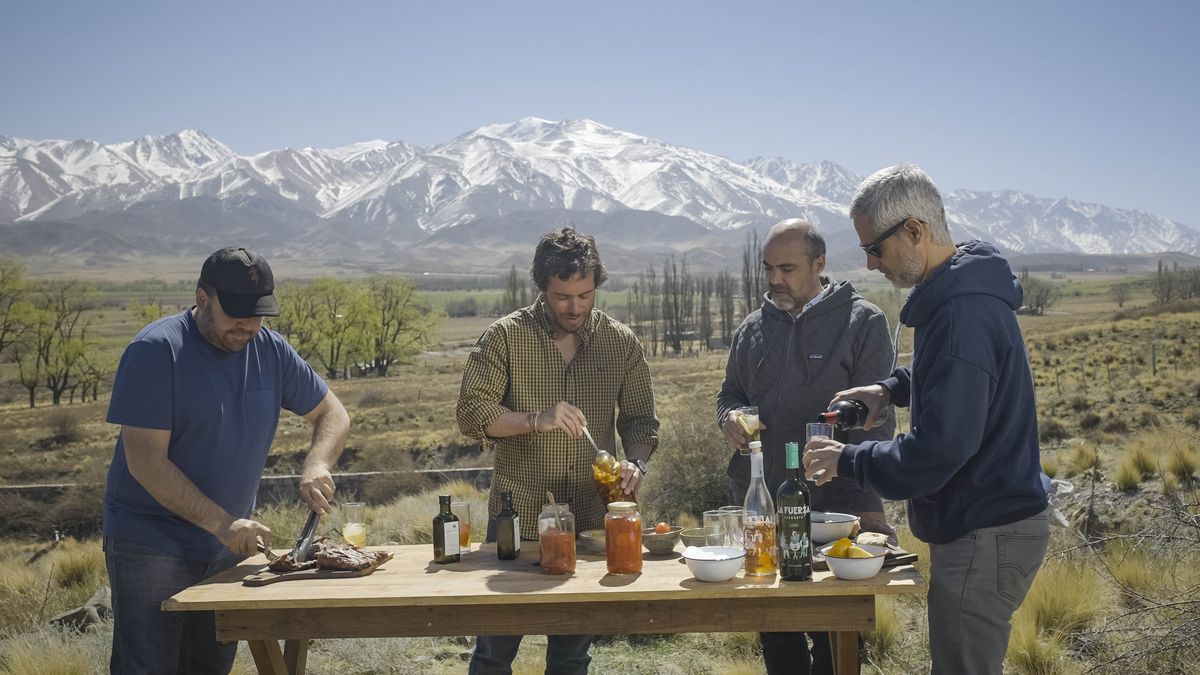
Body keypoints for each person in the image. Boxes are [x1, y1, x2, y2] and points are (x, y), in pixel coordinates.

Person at [803, 164, 1050, 675]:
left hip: (985, 528)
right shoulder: (962, 293)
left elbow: (939, 450)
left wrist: (849, 459)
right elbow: (960, 378)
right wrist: (890, 389)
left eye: (876, 248)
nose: (871, 264)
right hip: (991, 522)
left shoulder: (962, 315)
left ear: (915, 230)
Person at [103, 246, 351, 674]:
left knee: (210, 667)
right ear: (202, 298)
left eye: (258, 314)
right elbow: (145, 462)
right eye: (236, 312)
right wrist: (222, 524)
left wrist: (318, 464)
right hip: (151, 545)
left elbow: (333, 413)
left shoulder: (271, 350)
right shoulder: (155, 351)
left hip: (227, 547)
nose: (248, 325)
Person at [457, 227, 659, 674]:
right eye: (562, 296)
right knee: (493, 652)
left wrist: (636, 462)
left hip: (589, 519)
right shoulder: (505, 337)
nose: (574, 307)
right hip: (518, 519)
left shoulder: (621, 342)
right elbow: (472, 413)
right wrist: (535, 419)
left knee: (571, 655)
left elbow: (641, 422)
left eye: (585, 295)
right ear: (542, 288)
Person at [716, 218, 897, 675]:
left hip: (836, 517)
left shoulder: (862, 322)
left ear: (819, 264)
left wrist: (869, 507)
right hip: (764, 509)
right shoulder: (752, 328)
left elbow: (878, 423)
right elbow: (730, 393)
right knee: (777, 636)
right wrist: (729, 418)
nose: (774, 279)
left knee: (835, 641)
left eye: (787, 269)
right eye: (768, 268)